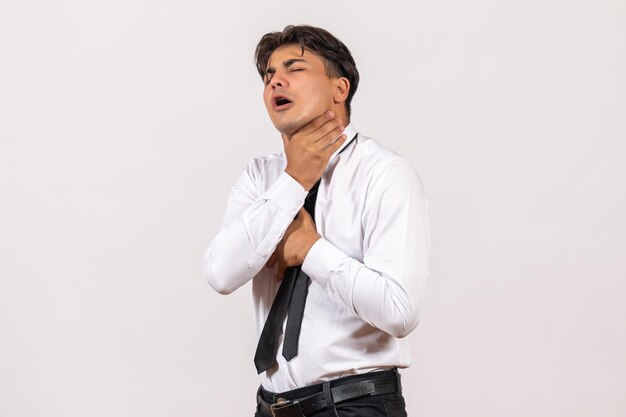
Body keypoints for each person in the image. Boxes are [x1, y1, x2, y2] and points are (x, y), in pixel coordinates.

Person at [205, 25, 430, 417]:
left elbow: (400, 311)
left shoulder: (385, 173)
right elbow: (221, 274)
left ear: (339, 89)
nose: (276, 79)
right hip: (270, 407)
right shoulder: (260, 178)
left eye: (294, 68)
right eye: (268, 74)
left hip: (353, 406)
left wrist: (311, 249)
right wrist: (293, 181)